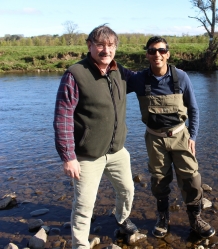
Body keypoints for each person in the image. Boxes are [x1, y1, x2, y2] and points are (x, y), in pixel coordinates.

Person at [53, 24, 138, 249]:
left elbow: (146, 80)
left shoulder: (120, 71)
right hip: (87, 155)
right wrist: (68, 156)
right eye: (100, 44)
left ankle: (121, 218)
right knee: (84, 205)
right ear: (89, 45)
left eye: (110, 45)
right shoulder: (75, 74)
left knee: (127, 190)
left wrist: (170, 74)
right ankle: (80, 245)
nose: (106, 50)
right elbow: (63, 118)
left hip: (117, 151)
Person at [127, 36, 215, 239]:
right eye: (151, 51)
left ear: (168, 53)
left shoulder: (181, 77)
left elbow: (194, 109)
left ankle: (195, 219)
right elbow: (114, 86)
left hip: (180, 135)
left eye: (161, 50)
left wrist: (192, 136)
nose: (156, 54)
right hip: (154, 139)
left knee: (192, 178)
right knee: (159, 180)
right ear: (147, 55)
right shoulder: (139, 79)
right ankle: (163, 218)